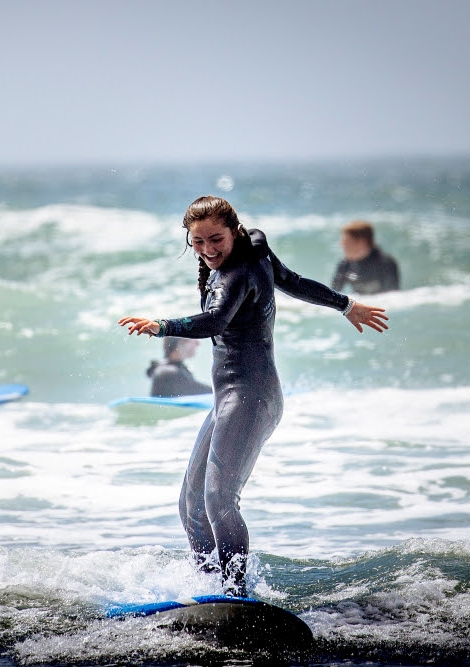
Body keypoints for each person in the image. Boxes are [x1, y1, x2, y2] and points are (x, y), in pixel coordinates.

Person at [118, 196, 388, 597]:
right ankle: (210, 589)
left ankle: (235, 594)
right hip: (230, 397)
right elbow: (293, 282)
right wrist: (345, 304)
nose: (208, 249)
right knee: (191, 504)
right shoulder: (255, 246)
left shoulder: (235, 273)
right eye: (198, 242)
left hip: (250, 397)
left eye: (216, 239)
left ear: (234, 231)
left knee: (218, 499)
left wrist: (161, 325)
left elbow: (216, 319)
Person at [331, 220, 400, 294]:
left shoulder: (386, 263)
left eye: (346, 241)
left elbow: (392, 296)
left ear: (361, 242)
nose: (341, 244)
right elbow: (333, 293)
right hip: (361, 303)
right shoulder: (345, 264)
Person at [147, 337, 211, 397]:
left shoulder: (166, 368)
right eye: (192, 338)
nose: (198, 343)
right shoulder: (168, 372)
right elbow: (201, 390)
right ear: (180, 343)